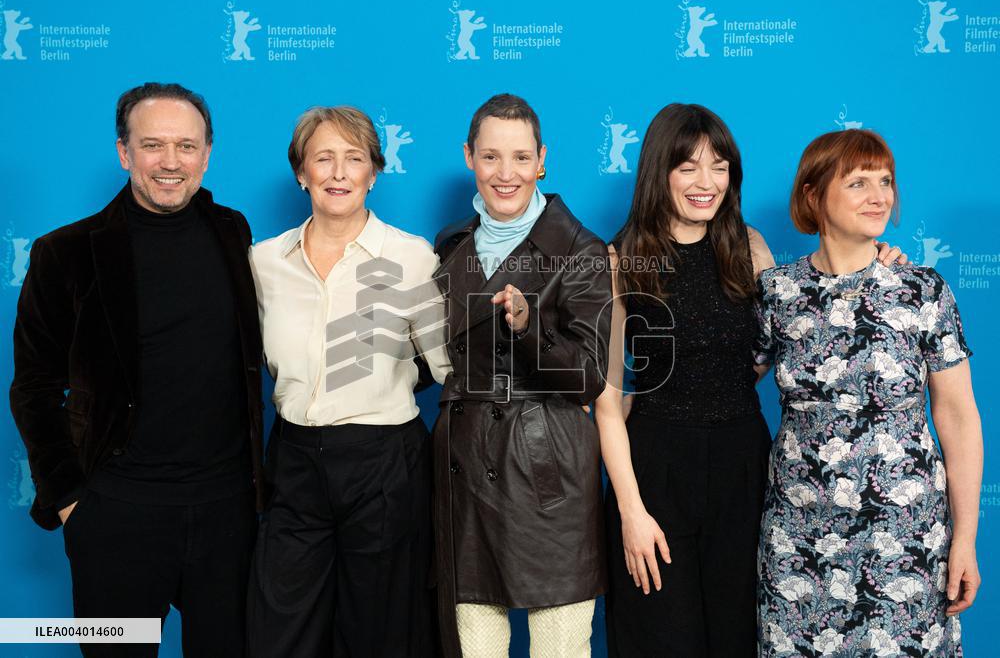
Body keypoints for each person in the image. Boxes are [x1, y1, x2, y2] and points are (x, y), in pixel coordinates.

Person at [596, 104, 908, 657]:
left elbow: (797, 328)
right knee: (660, 639)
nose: (706, 182)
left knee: (741, 635)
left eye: (720, 166)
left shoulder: (750, 246)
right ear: (658, 173)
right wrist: (630, 510)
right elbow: (610, 400)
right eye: (688, 167)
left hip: (745, 468)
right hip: (655, 470)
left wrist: (873, 263)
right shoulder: (622, 259)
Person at [10, 82, 264, 656]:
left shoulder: (233, 232)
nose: (171, 162)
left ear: (207, 153)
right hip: (115, 515)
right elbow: (33, 388)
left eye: (186, 145)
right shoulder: (65, 252)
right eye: (153, 145)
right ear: (124, 152)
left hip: (228, 514)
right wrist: (73, 501)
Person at [755, 129, 982, 656]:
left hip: (905, 540)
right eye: (858, 183)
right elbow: (722, 388)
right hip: (800, 540)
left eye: (885, 181)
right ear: (813, 196)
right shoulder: (776, 292)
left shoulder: (923, 290)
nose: (880, 196)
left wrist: (964, 538)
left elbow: (959, 418)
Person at [247, 105, 451, 657]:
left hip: (383, 463)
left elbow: (444, 365)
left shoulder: (411, 257)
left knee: (379, 632)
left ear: (373, 173)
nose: (338, 173)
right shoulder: (264, 262)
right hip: (292, 461)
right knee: (279, 632)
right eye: (323, 159)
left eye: (353, 159)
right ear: (301, 172)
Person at [430, 93, 612, 658]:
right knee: (475, 646)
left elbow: (588, 379)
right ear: (469, 158)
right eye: (490, 157)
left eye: (519, 157)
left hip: (547, 475)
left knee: (560, 648)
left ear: (542, 160)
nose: (505, 174)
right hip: (465, 468)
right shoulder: (450, 244)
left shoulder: (581, 249)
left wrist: (531, 328)